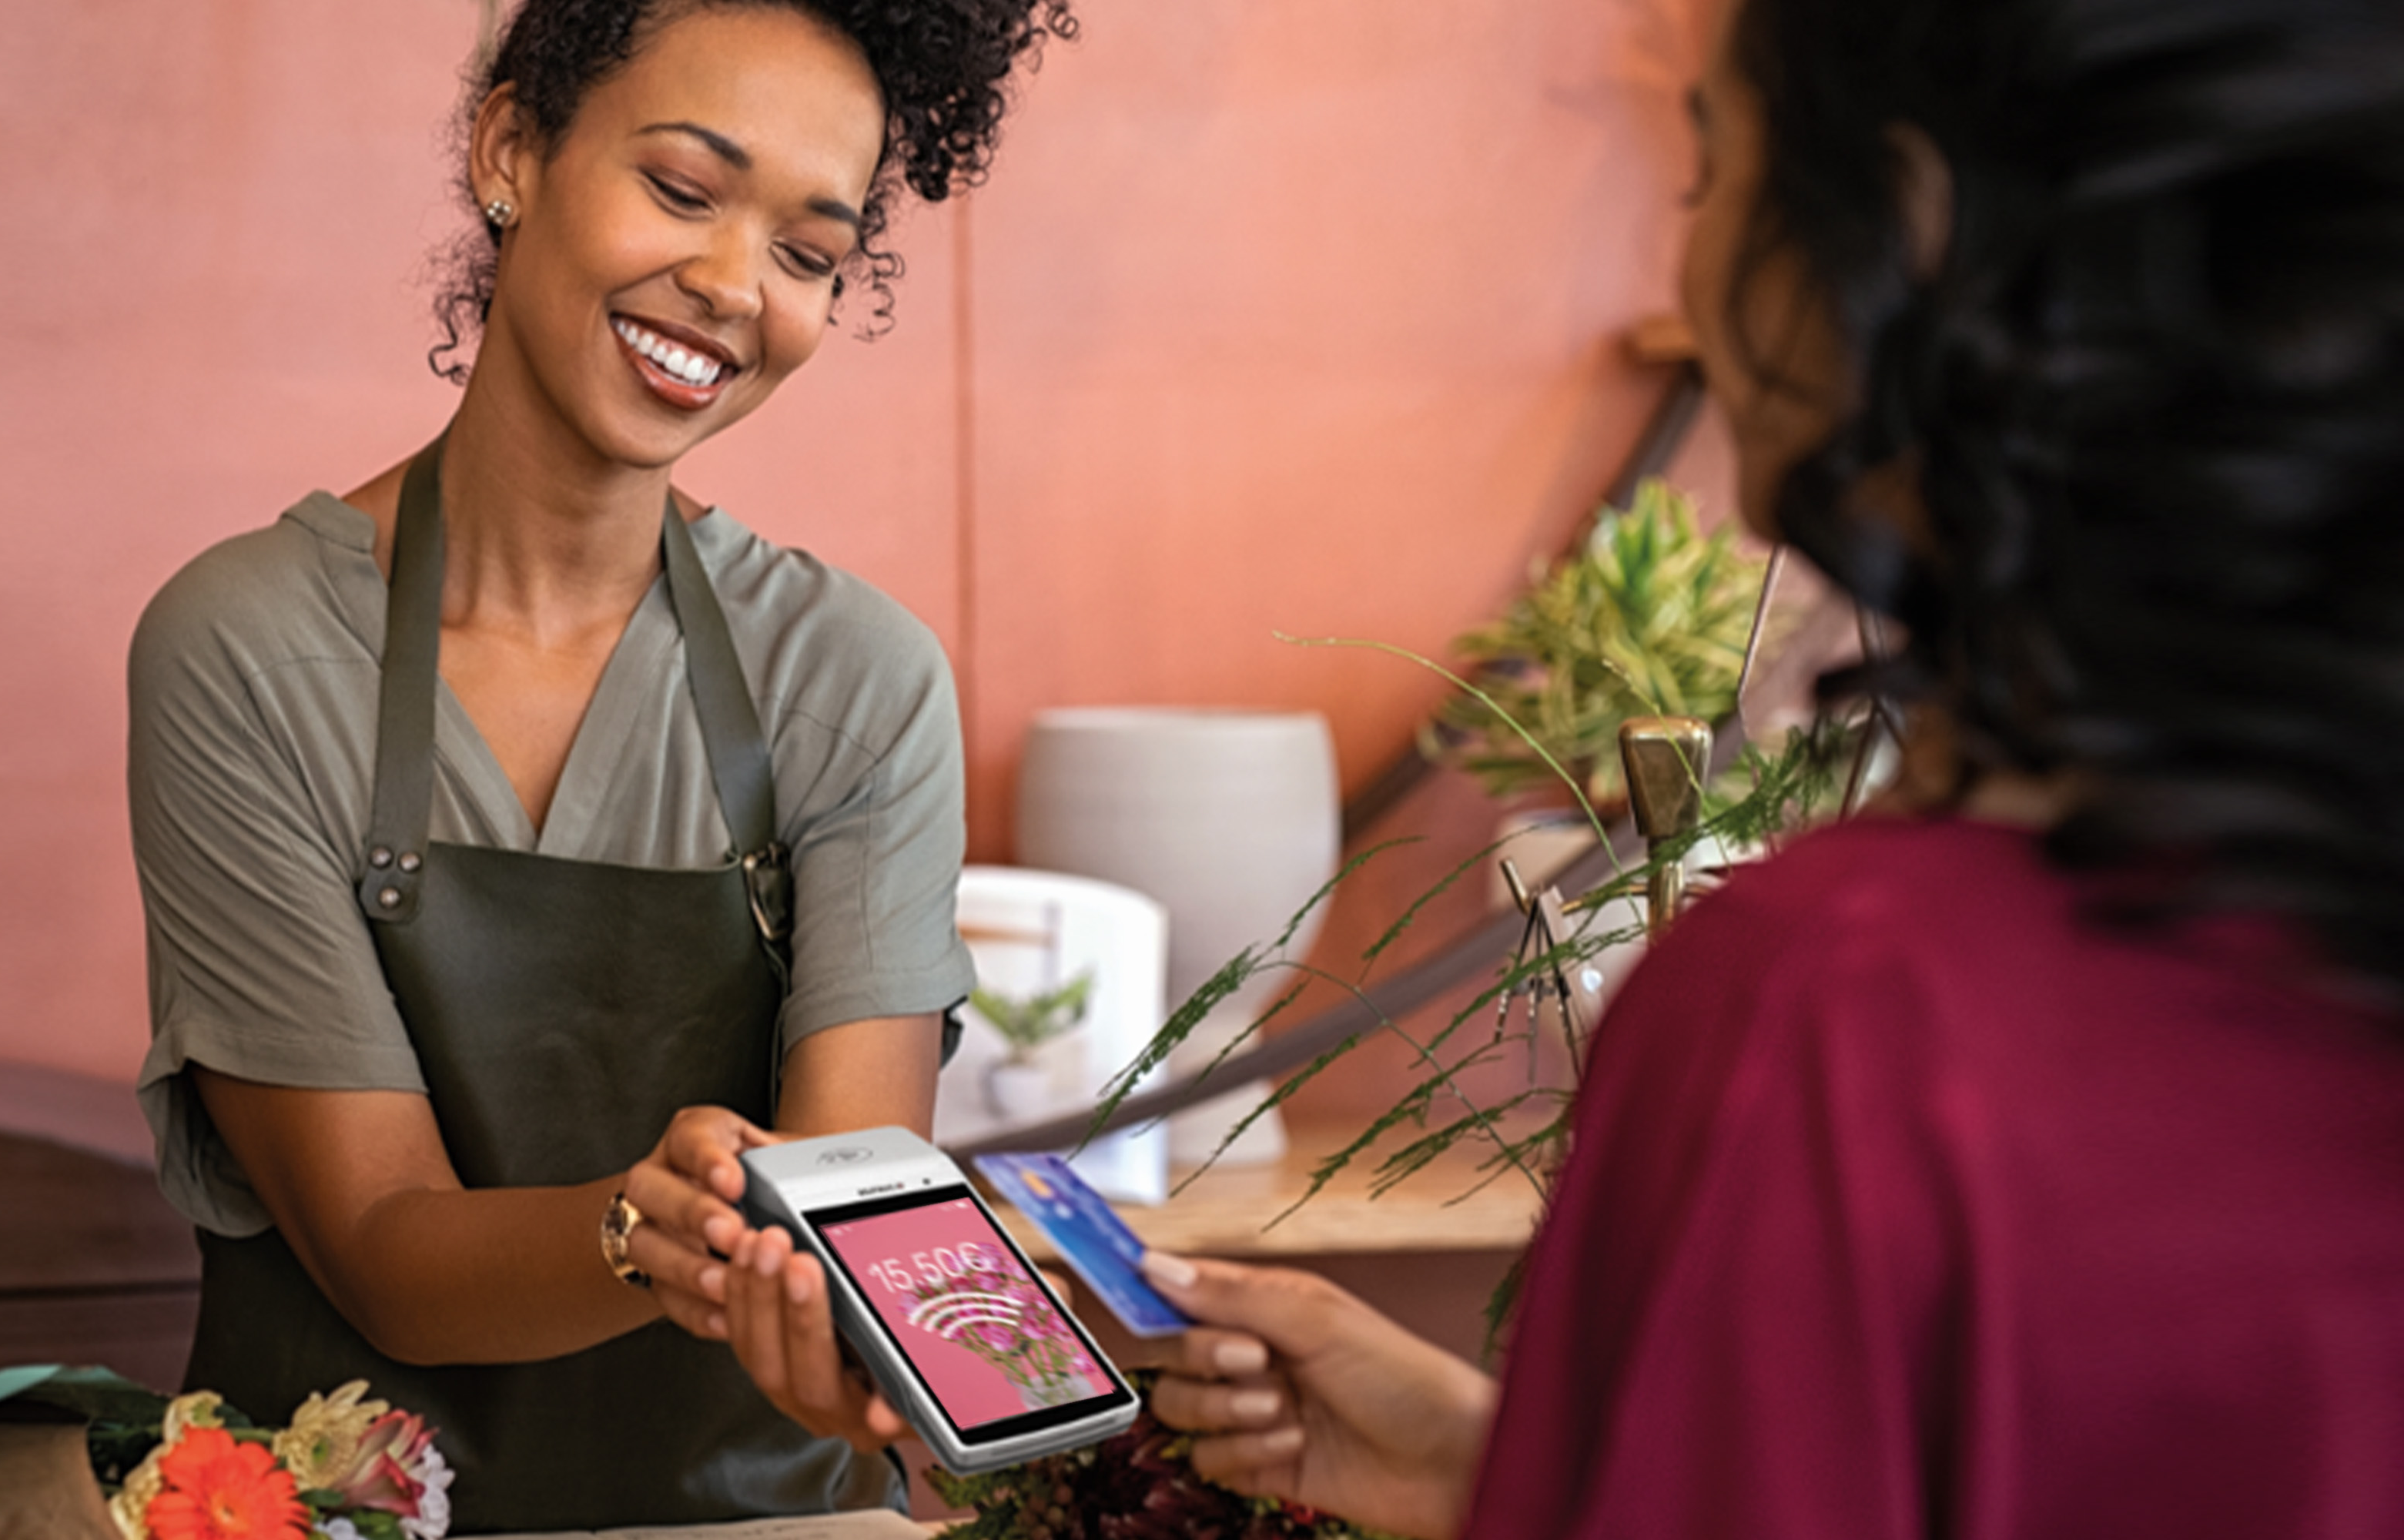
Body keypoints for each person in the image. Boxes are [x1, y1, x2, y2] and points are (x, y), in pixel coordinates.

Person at [1136, 0, 2404, 1535]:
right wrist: (1511, 1473)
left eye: (1706, 172)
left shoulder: (1835, 1007)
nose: (1688, 257)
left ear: (1898, 233)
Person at [124, 0, 1070, 1528]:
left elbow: (850, 1212)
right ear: (512, 149)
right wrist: (647, 1224)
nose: (729, 286)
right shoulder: (247, 647)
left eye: (807, 253)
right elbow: (380, 1245)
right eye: (684, 189)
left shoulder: (856, 681)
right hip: (336, 1518)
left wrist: (861, 1347)